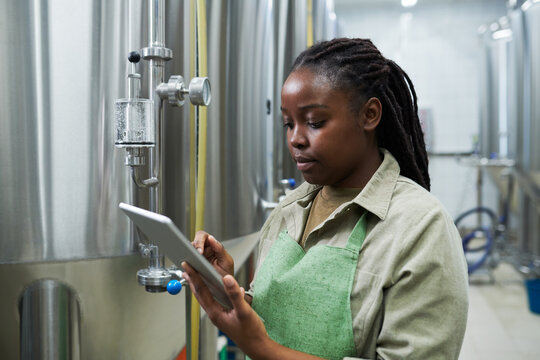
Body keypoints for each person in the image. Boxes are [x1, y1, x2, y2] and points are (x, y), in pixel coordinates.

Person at [181, 38, 468, 360]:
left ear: (369, 114)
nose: (296, 139)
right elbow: (279, 323)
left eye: (315, 122)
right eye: (288, 124)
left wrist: (261, 348)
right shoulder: (291, 207)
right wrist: (232, 293)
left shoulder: (419, 224)